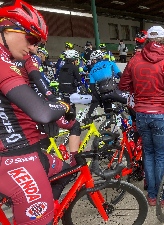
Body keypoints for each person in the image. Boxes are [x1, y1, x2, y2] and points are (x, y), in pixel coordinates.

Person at [0, 1, 75, 224]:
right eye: (31, 38)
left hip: (22, 151)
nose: (33, 48)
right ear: (5, 27)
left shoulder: (12, 58)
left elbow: (37, 79)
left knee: (69, 166)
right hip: (15, 156)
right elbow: (41, 113)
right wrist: (65, 106)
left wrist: (51, 99)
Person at [119, 25, 164, 206]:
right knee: (161, 155)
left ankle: (152, 195)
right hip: (162, 114)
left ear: (147, 40)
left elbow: (123, 85)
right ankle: (161, 197)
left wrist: (138, 92)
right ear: (163, 40)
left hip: (142, 114)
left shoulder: (135, 59)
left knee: (149, 153)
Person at [86, 49, 125, 119]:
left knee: (108, 114)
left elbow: (93, 88)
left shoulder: (92, 71)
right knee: (131, 102)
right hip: (114, 92)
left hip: (104, 96)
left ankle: (107, 128)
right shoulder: (110, 63)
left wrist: (100, 100)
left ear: (95, 60)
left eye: (92, 60)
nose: (92, 62)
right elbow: (122, 76)